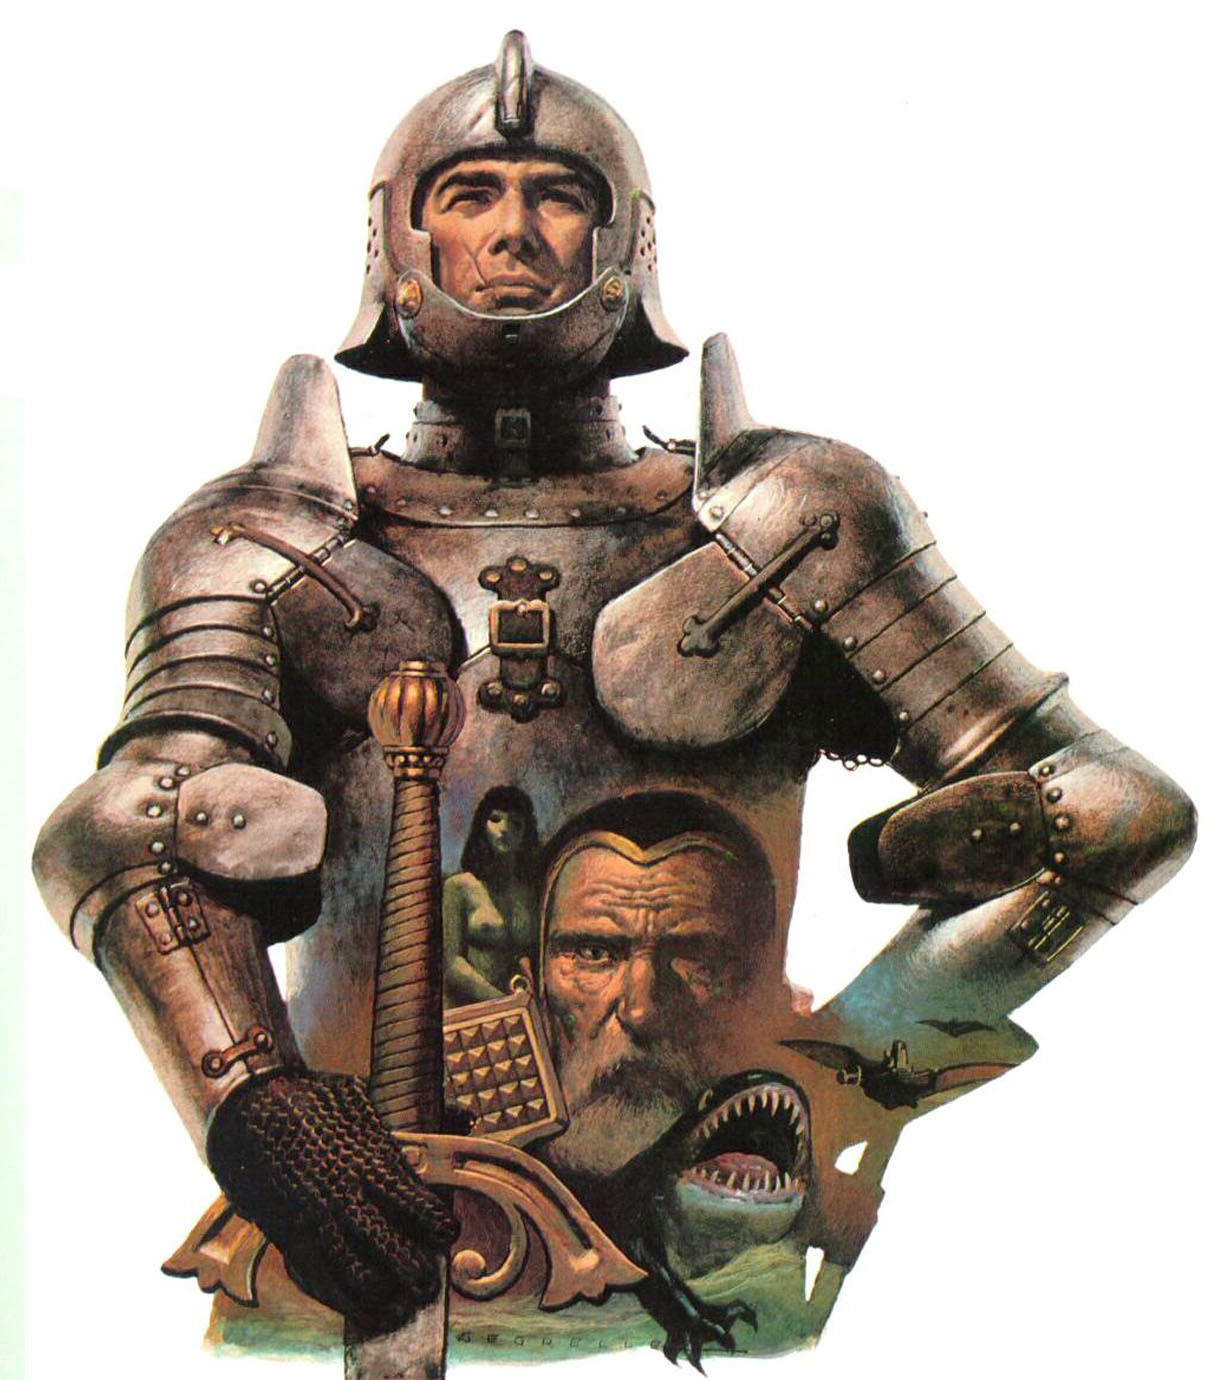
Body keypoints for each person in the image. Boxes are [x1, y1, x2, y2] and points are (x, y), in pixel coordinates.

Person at [31, 28, 1195, 1368]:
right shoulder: (257, 543)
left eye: (557, 196)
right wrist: (259, 1109)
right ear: (396, 238)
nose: (512, 233)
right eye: (468, 194)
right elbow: (126, 829)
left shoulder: (791, 523)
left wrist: (835, 1079)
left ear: (625, 240)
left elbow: (1110, 811)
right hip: (353, 1248)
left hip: (720, 1233)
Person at [442, 786, 541, 1007]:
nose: (504, 829)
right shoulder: (459, 887)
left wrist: (526, 986)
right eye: (495, 820)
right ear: (482, 827)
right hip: (467, 1012)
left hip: (518, 1007)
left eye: (515, 823)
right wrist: (500, 1001)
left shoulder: (529, 894)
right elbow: (452, 965)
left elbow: (525, 954)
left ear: (525, 834)